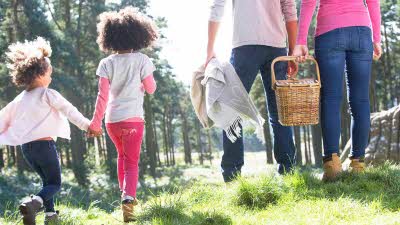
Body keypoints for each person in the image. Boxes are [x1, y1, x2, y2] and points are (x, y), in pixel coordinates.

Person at [0, 37, 99, 225]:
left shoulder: (19, 99)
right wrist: (88, 126)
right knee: (54, 184)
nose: (51, 76)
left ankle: (49, 216)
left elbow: (2, 118)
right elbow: (70, 110)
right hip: (44, 146)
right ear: (38, 74)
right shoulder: (48, 94)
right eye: (49, 72)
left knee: (47, 182)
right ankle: (33, 204)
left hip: (27, 150)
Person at [206, 0, 299, 182]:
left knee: (232, 110)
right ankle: (287, 171)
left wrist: (209, 49)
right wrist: (292, 50)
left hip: (245, 47)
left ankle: (232, 176)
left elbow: (217, 6)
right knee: (280, 112)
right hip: (276, 46)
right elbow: (289, 8)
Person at [293, 0, 382, 181]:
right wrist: (377, 38)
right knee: (361, 100)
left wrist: (301, 40)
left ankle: (332, 166)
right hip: (361, 31)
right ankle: (358, 164)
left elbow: (309, 2)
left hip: (329, 30)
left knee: (331, 98)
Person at [89, 7, 157, 222]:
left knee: (122, 157)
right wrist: (141, 84)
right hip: (133, 120)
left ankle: (124, 195)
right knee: (132, 162)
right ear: (139, 34)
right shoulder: (142, 60)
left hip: (112, 121)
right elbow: (152, 88)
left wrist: (95, 123)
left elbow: (102, 96)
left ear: (109, 37)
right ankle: (129, 198)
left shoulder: (106, 63)